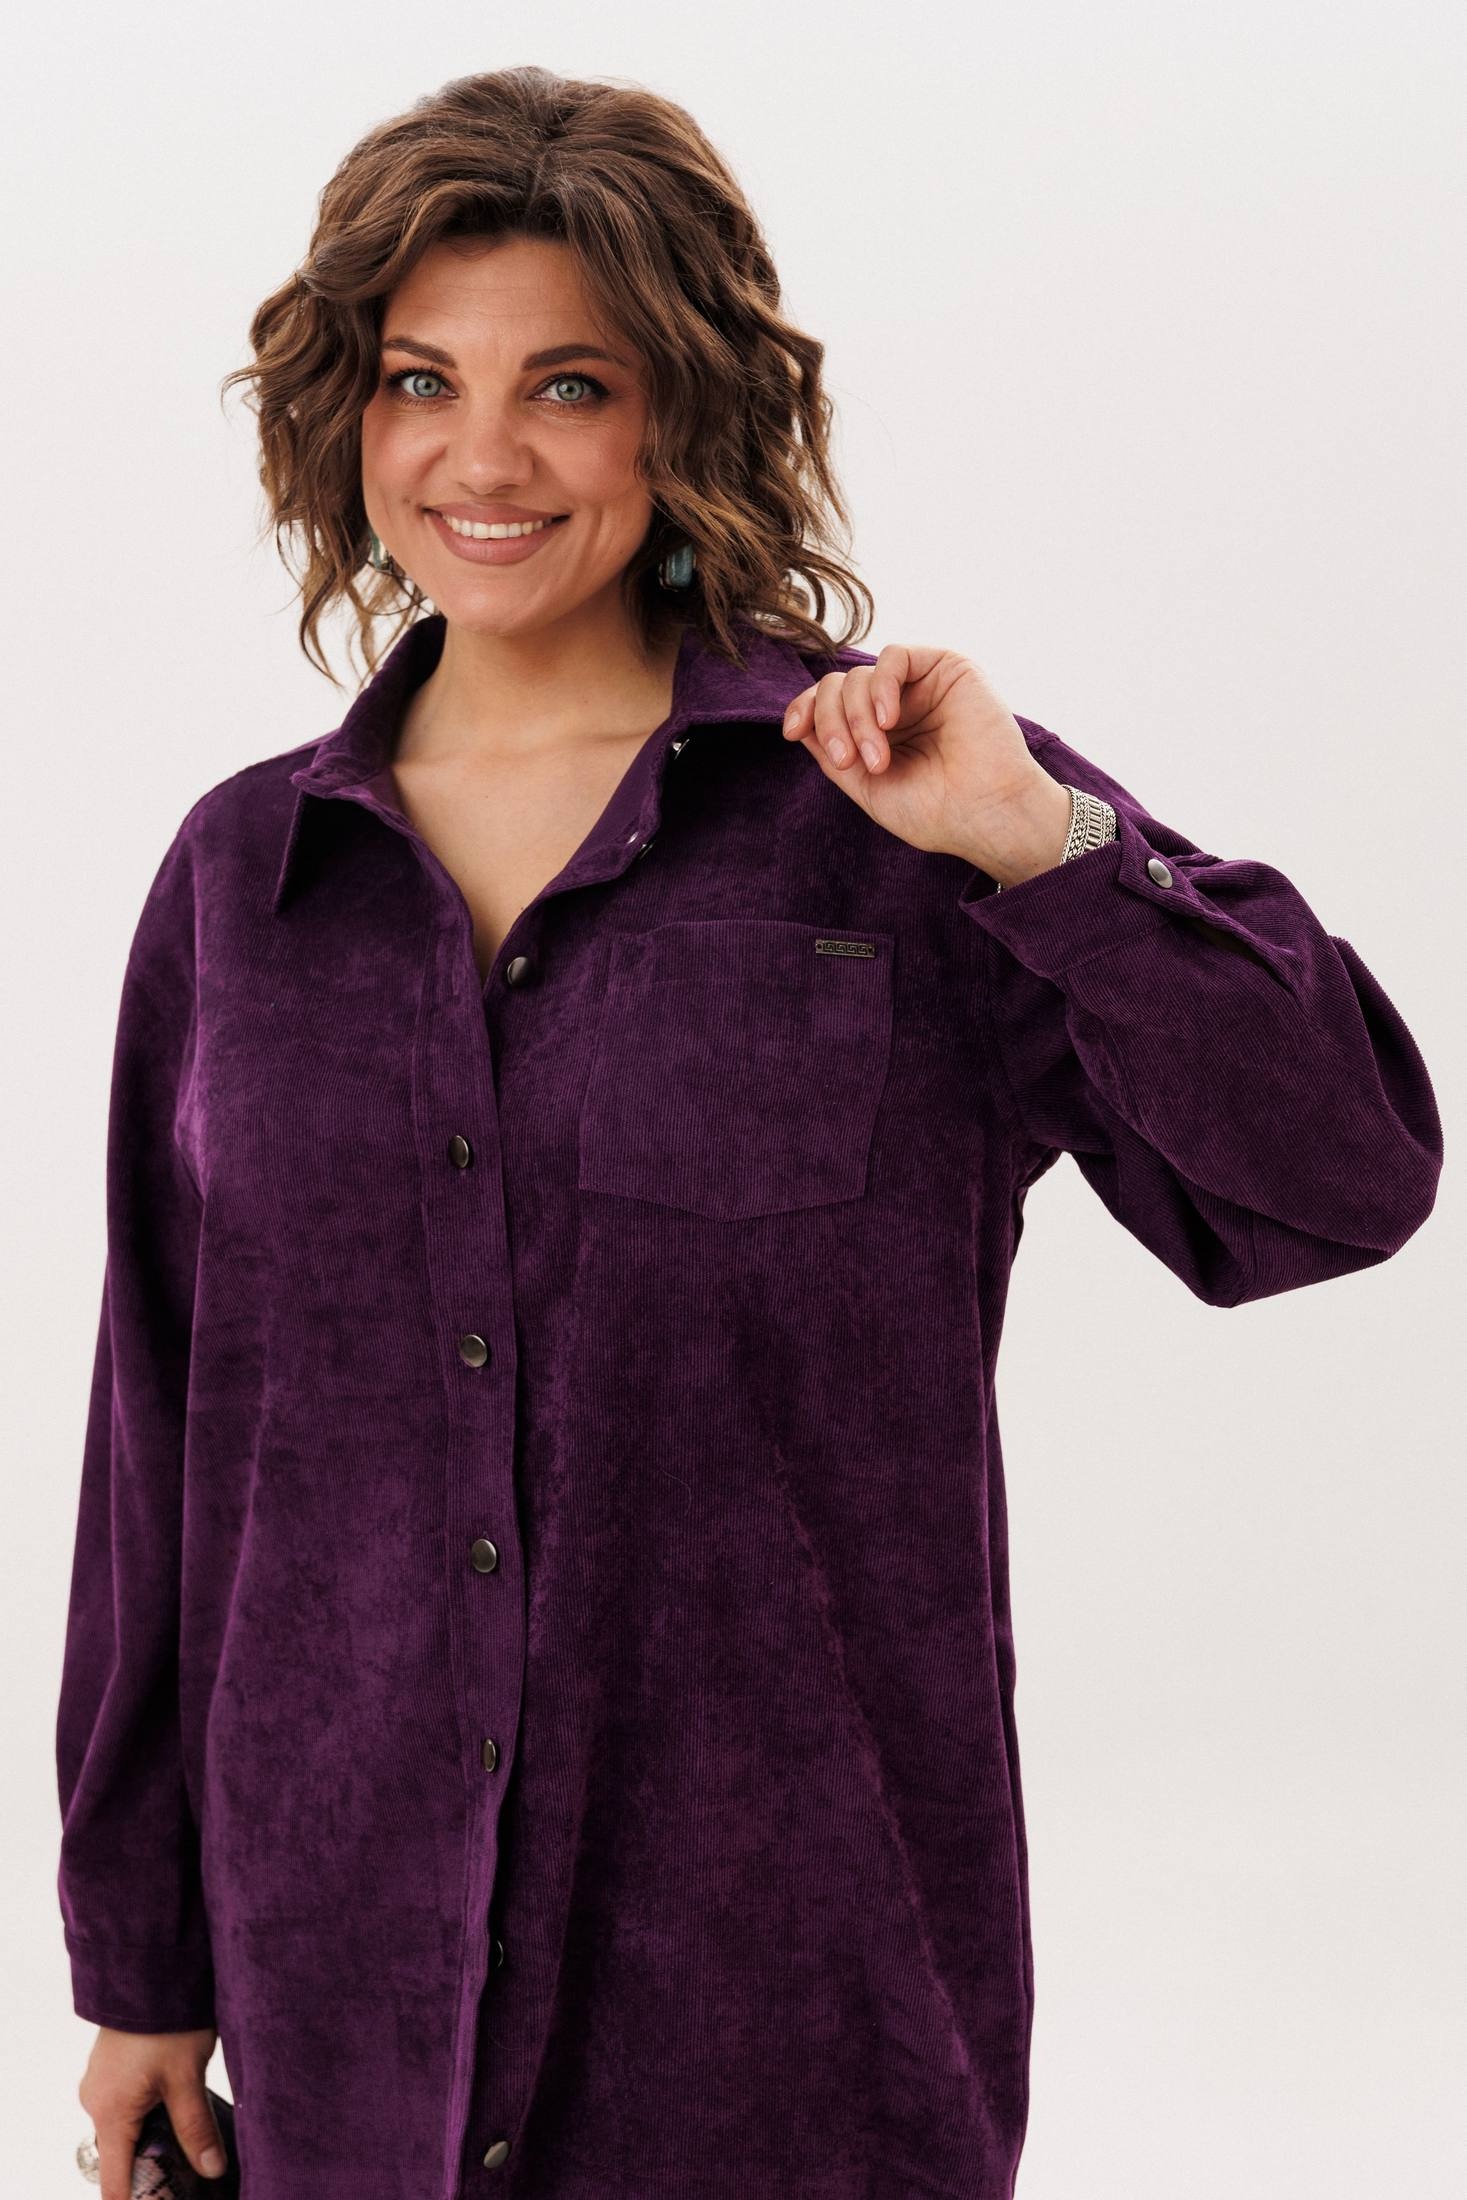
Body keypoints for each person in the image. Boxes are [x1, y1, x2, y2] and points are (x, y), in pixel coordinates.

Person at [55, 62, 1443, 2200]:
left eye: (570, 385)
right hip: (343, 2029)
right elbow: (159, 1446)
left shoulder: (894, 810)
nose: (482, 458)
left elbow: (1334, 1181)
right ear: (345, 415)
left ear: (681, 411)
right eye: (420, 380)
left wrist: (1042, 849)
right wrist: (139, 1959)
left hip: (790, 2035)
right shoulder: (246, 878)